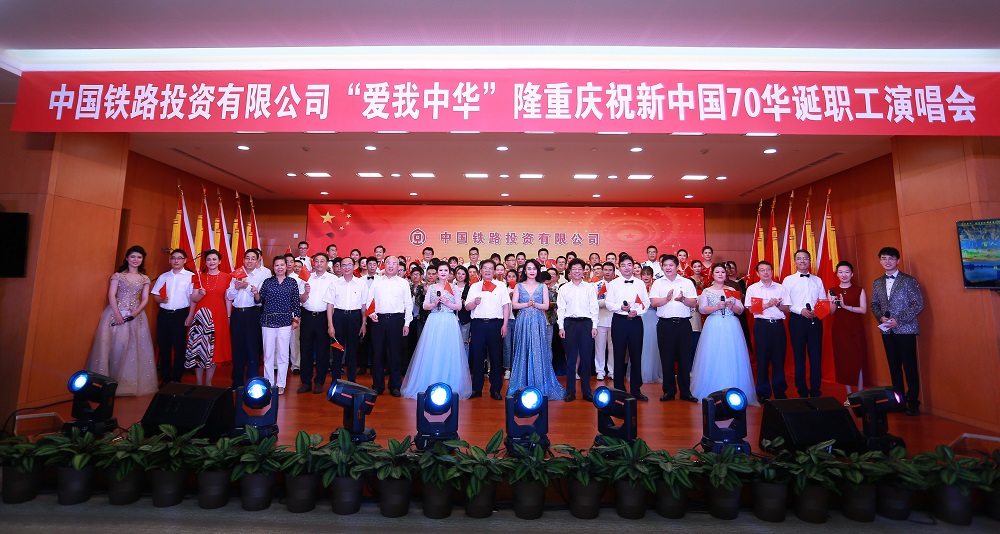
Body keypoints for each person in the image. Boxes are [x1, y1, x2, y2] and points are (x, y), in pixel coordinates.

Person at [85, 245, 158, 396]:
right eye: (133, 256)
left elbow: (145, 298)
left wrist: (135, 313)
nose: (136, 259)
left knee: (132, 348)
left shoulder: (144, 278)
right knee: (114, 347)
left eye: (139, 257)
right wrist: (118, 314)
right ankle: (107, 384)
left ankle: (126, 386)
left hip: (136, 316)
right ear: (127, 258)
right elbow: (111, 295)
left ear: (142, 259)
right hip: (115, 314)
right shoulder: (118, 276)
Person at [401, 264, 473, 399]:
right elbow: (424, 306)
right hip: (434, 321)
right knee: (432, 350)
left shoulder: (454, 288)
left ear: (450, 273)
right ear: (437, 273)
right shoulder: (432, 288)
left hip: (449, 320)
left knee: (448, 351)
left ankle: (450, 384)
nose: (443, 272)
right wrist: (434, 304)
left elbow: (458, 306)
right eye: (441, 270)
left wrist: (447, 303)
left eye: (446, 270)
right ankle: (430, 382)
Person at [690, 264, 758, 405]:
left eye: (722, 272)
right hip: (714, 324)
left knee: (731, 354)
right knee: (714, 354)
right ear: (712, 274)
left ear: (726, 274)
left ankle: (733, 387)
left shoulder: (732, 290)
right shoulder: (707, 291)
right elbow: (702, 309)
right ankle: (713, 389)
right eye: (717, 272)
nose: (720, 274)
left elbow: (740, 310)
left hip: (731, 324)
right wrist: (716, 307)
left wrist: (731, 306)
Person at [870, 247, 924, 416]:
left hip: (906, 330)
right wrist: (880, 317)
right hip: (887, 331)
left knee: (910, 367)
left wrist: (899, 320)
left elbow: (918, 304)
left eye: (891, 258)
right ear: (880, 261)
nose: (887, 261)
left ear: (898, 261)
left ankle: (913, 403)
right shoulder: (877, 282)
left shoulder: (908, 280)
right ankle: (898, 403)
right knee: (894, 367)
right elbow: (874, 304)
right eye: (884, 258)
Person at [508, 260, 566, 400]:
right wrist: (526, 304)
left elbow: (546, 306)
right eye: (529, 269)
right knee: (523, 349)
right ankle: (522, 385)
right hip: (523, 320)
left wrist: (535, 305)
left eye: (534, 268)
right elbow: (514, 305)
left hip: (538, 320)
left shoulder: (542, 286)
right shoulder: (519, 286)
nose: (532, 271)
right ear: (525, 271)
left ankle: (541, 385)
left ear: (538, 270)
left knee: (538, 349)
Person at [649, 255, 699, 402]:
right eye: (665, 265)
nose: (668, 268)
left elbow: (694, 303)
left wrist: (683, 299)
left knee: (684, 358)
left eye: (671, 265)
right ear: (662, 267)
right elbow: (653, 303)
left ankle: (685, 392)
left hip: (683, 324)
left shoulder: (686, 282)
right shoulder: (658, 283)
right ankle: (669, 391)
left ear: (677, 266)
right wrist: (666, 299)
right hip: (665, 325)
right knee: (667, 358)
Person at [183, 249, 232, 386]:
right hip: (200, 316)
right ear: (205, 262)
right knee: (199, 350)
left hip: (218, 316)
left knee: (214, 350)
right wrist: (199, 296)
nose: (211, 262)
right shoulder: (198, 276)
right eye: (209, 259)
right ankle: (199, 382)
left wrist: (228, 317)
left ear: (220, 261)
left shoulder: (227, 277)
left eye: (214, 259)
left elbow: (228, 299)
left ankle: (208, 382)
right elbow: (193, 298)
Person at [604, 256, 650, 400]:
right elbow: (608, 303)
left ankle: (636, 389)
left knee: (636, 355)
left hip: (636, 321)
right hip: (619, 321)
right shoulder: (613, 284)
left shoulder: (640, 283)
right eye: (623, 265)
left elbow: (646, 302)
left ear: (633, 266)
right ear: (619, 267)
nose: (627, 268)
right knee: (618, 355)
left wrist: (638, 311)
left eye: (629, 264)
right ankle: (619, 390)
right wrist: (620, 307)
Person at [744, 261, 791, 403]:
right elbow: (752, 309)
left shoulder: (781, 288)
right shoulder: (753, 289)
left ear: (772, 271)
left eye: (768, 270)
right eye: (762, 270)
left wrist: (779, 304)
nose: (766, 272)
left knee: (779, 360)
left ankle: (780, 393)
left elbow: (787, 309)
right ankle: (763, 394)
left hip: (778, 326)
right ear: (757, 273)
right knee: (762, 360)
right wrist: (769, 304)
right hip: (762, 326)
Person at [782, 249, 826, 398]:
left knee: (815, 356)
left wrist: (817, 311)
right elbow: (786, 302)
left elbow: (822, 300)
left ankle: (816, 391)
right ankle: (801, 391)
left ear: (810, 261)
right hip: (797, 320)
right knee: (799, 356)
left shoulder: (817, 280)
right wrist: (800, 310)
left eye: (805, 258)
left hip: (815, 320)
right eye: (799, 258)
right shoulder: (788, 280)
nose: (802, 261)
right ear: (795, 261)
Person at [366, 257, 413, 396]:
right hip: (378, 320)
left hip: (397, 320)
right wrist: (371, 313)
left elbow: (408, 304)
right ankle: (378, 386)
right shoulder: (377, 281)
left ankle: (395, 386)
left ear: (398, 266)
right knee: (377, 353)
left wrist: (406, 323)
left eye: (394, 263)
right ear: (384, 265)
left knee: (395, 354)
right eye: (388, 263)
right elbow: (369, 299)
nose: (391, 266)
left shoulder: (403, 283)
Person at [465, 260, 511, 400]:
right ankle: (476, 389)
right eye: (485, 268)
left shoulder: (500, 285)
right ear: (480, 270)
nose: (488, 270)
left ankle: (495, 390)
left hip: (495, 324)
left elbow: (506, 306)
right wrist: (475, 302)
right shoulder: (474, 286)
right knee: (477, 357)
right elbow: (467, 307)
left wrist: (505, 325)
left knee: (496, 358)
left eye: (491, 268)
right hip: (478, 324)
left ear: (494, 271)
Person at [256, 256, 300, 394]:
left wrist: (296, 319)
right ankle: (268, 382)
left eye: (282, 265)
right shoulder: (268, 282)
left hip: (285, 322)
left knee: (283, 354)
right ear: (273, 267)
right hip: (268, 322)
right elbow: (259, 299)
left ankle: (281, 384)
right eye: (277, 265)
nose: (279, 267)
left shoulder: (292, 282)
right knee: (268, 354)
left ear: (286, 267)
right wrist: (255, 293)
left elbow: (295, 302)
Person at [227, 248, 270, 388]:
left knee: (253, 348)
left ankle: (252, 382)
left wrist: (246, 286)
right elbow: (229, 296)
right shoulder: (237, 274)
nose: (249, 261)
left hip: (253, 313)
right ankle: (237, 383)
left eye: (253, 258)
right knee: (237, 348)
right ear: (243, 259)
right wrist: (236, 287)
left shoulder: (263, 275)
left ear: (258, 261)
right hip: (237, 314)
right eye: (247, 258)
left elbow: (260, 297)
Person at [557, 259, 599, 402]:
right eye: (574, 269)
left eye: (579, 269)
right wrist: (561, 327)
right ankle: (570, 392)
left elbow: (594, 307)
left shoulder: (589, 288)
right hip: (569, 324)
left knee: (586, 359)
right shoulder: (564, 288)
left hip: (586, 324)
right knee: (571, 359)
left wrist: (594, 326)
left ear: (584, 271)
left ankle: (587, 391)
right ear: (569, 271)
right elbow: (561, 309)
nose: (577, 271)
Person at [151, 249, 194, 385]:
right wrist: (160, 299)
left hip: (180, 315)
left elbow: (193, 299)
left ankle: (177, 379)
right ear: (170, 260)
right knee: (164, 347)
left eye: (179, 258)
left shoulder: (191, 276)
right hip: (164, 315)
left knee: (179, 347)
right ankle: (165, 378)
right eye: (173, 258)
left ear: (184, 260)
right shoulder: (163, 276)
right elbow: (155, 296)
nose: (176, 261)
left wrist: (190, 316)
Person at [296, 253, 335, 394]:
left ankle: (319, 381)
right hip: (307, 316)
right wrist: (306, 293)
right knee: (305, 349)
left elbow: (334, 302)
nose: (319, 263)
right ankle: (306, 382)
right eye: (316, 261)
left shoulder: (333, 279)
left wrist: (330, 323)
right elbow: (301, 299)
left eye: (322, 261)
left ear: (327, 263)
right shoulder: (307, 277)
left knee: (322, 351)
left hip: (323, 317)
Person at [829, 260, 868, 404]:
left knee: (858, 359)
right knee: (843, 360)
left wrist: (846, 306)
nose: (843, 275)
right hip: (840, 330)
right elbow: (831, 312)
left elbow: (863, 310)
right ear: (837, 274)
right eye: (840, 272)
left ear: (852, 274)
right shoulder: (832, 290)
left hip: (855, 328)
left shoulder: (859, 290)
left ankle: (860, 393)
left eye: (846, 272)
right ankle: (850, 395)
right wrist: (834, 303)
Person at [323, 256, 367, 383]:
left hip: (354, 318)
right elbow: (330, 305)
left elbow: (364, 306)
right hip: (338, 317)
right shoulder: (335, 283)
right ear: (340, 268)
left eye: (349, 265)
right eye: (343, 265)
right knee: (337, 351)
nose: (346, 267)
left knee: (353, 352)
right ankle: (336, 383)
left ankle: (351, 383)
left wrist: (363, 323)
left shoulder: (361, 284)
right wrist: (330, 325)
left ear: (354, 267)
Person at [637, 266, 662, 384]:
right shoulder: (638, 287)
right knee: (640, 344)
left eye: (648, 274)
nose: (646, 277)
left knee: (653, 344)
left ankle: (653, 372)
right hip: (640, 316)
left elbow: (658, 303)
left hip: (653, 317)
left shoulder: (655, 288)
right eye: (644, 274)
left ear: (652, 276)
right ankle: (640, 373)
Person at [594, 261, 616, 380]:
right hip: (600, 320)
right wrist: (606, 302)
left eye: (610, 270)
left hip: (614, 319)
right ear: (602, 271)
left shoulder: (618, 285)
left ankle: (612, 371)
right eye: (605, 270)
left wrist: (609, 304)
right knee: (599, 347)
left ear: (614, 272)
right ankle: (600, 371)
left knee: (613, 348)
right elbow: (593, 303)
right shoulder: (596, 285)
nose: (607, 272)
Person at [454, 265, 473, 358]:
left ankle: (464, 364)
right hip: (452, 318)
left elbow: (471, 304)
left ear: (466, 276)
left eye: (463, 274)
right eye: (458, 273)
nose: (460, 276)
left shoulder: (470, 288)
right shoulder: (451, 287)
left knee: (464, 343)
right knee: (453, 343)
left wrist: (463, 301)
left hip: (465, 319)